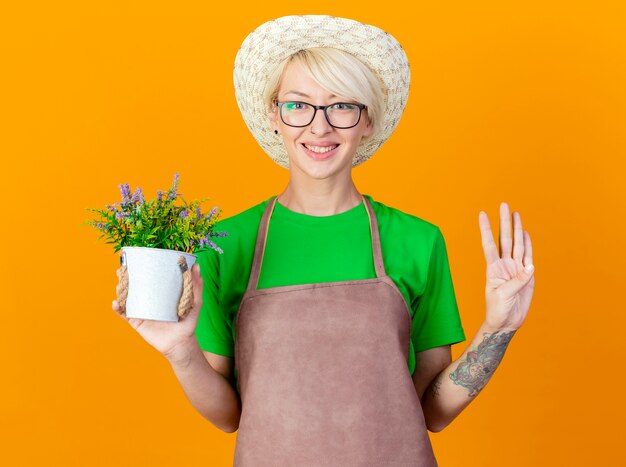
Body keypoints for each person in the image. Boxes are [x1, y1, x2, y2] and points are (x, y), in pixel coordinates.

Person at [112, 15, 535, 466]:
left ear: (367, 120)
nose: (319, 127)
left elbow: (431, 412)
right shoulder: (225, 244)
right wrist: (181, 351)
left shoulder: (418, 240)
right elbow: (228, 416)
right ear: (274, 115)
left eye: (341, 106)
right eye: (299, 105)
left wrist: (498, 330)